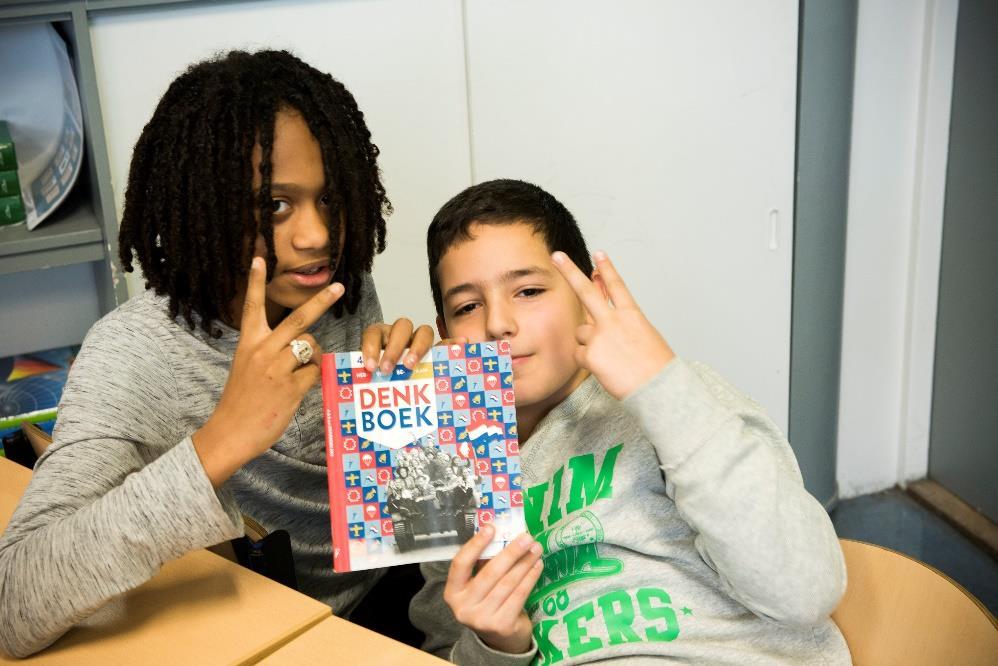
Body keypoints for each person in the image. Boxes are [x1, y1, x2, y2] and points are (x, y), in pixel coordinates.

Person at [0, 50, 432, 658]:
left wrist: (410, 408)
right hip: (273, 632)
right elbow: (14, 601)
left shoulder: (337, 288)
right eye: (275, 206)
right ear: (203, 200)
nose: (316, 236)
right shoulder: (135, 353)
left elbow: (388, 506)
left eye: (329, 200)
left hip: (393, 591)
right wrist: (223, 439)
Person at [408, 179, 849, 664]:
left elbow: (805, 591)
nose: (498, 324)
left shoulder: (674, 397)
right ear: (445, 331)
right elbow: (443, 645)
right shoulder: (445, 469)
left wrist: (659, 388)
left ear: (587, 293)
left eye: (529, 290)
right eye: (467, 306)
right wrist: (497, 646)